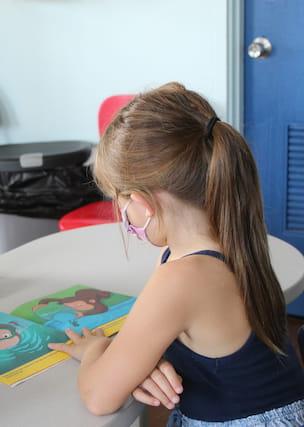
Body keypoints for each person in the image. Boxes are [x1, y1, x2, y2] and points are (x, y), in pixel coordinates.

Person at [48, 82, 304, 425]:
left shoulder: (182, 278)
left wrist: (95, 349)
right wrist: (145, 364)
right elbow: (158, 329)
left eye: (118, 199)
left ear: (142, 202)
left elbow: (98, 396)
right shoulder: (225, 234)